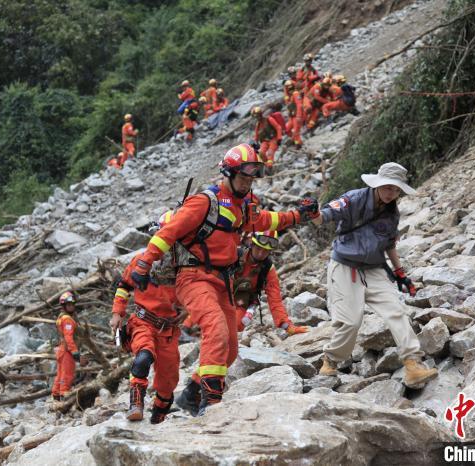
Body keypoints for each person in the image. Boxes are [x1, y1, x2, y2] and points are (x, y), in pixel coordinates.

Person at [126, 143, 319, 415]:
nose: (247, 183)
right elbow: (169, 231)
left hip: (223, 282)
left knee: (228, 350)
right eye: (243, 177)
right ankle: (212, 404)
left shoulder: (243, 206)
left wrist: (298, 215)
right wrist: (145, 261)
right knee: (215, 328)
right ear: (228, 174)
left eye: (252, 178)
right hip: (194, 277)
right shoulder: (204, 202)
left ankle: (191, 395)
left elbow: (266, 221)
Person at [312, 162, 438, 389]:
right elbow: (325, 215)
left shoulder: (392, 214)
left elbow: (389, 244)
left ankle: (412, 364)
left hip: (374, 267)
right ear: (378, 184)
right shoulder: (354, 198)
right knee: (351, 321)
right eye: (388, 188)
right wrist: (312, 213)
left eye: (396, 190)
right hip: (345, 265)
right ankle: (331, 360)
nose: (392, 194)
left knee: (397, 311)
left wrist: (400, 274)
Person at [175, 230, 309, 415]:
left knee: (231, 354)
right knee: (217, 340)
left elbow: (274, 298)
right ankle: (209, 400)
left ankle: (190, 393)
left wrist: (286, 325)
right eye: (259, 248)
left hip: (240, 304)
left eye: (266, 251)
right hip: (217, 295)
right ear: (251, 244)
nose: (261, 254)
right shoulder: (233, 255)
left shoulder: (267, 269)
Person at [111, 213, 188, 424]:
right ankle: (136, 405)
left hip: (169, 331)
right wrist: (117, 313)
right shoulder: (141, 261)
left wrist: (189, 311)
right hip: (143, 322)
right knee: (144, 356)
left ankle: (158, 416)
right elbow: (125, 285)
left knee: (169, 379)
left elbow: (196, 293)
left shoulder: (185, 267)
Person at [51, 291, 87, 400]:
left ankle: (56, 394)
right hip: (67, 351)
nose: (71, 307)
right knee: (67, 374)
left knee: (60, 374)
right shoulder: (67, 320)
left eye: (72, 304)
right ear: (64, 306)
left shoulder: (61, 317)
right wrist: (75, 353)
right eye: (68, 305)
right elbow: (69, 338)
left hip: (62, 350)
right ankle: (64, 394)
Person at [251, 106, 283, 175]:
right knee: (261, 153)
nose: (257, 118)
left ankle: (270, 167)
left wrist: (279, 138)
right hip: (265, 141)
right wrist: (254, 143)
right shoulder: (258, 125)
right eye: (256, 117)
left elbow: (278, 128)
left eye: (258, 115)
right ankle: (266, 165)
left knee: (270, 153)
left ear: (261, 114)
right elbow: (256, 136)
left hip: (273, 139)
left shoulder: (269, 119)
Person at [283, 80, 304, 148]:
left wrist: (298, 116)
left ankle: (298, 144)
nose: (289, 89)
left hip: (296, 116)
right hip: (292, 117)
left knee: (296, 131)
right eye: (288, 88)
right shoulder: (290, 96)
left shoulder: (295, 94)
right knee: (287, 130)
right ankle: (294, 140)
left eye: (290, 88)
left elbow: (299, 105)